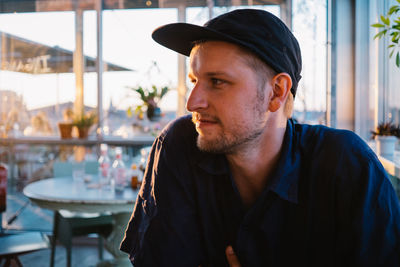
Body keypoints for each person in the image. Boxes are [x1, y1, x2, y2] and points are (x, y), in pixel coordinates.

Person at [120, 9, 400, 266]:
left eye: (217, 82)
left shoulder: (346, 165)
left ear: (277, 92)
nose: (192, 103)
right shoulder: (180, 145)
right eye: (194, 81)